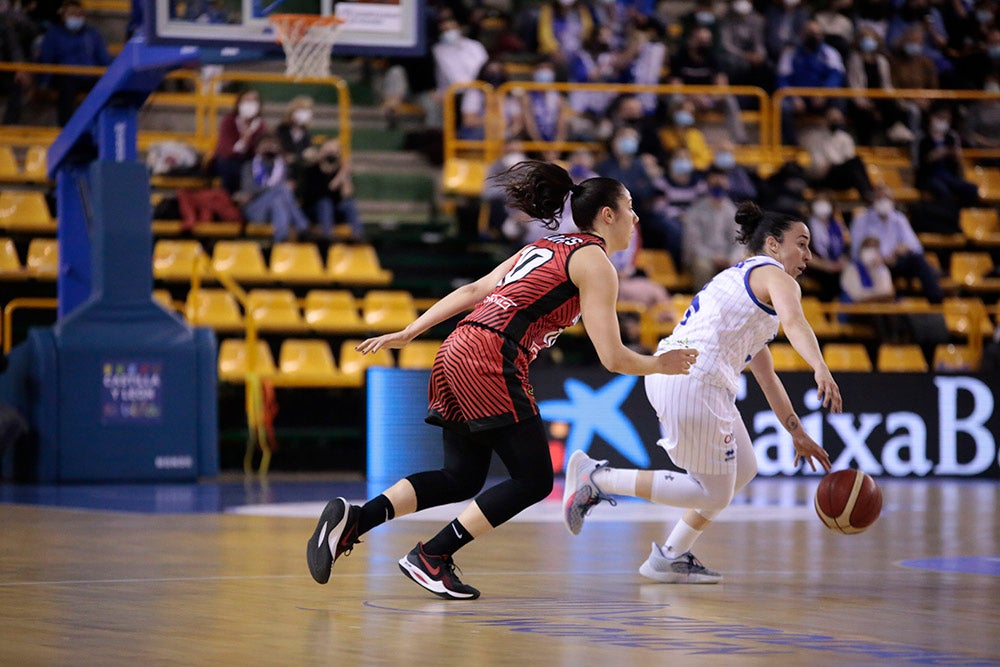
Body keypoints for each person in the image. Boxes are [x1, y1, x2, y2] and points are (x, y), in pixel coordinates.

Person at [305, 160, 698, 600]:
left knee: (461, 476)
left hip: (456, 347)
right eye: (630, 208)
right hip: (491, 356)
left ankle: (356, 521)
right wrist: (661, 363)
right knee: (533, 480)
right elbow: (612, 357)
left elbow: (475, 291)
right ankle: (432, 556)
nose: (637, 218)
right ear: (607, 214)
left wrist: (410, 331)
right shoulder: (595, 262)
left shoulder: (546, 245)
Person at [562, 201, 841, 584]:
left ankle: (671, 555)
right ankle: (597, 479)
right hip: (694, 379)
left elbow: (766, 374)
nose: (809, 255)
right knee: (712, 492)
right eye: (802, 244)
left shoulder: (742, 285)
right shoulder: (776, 276)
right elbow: (796, 321)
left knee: (744, 468)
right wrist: (819, 366)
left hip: (683, 376)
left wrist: (796, 432)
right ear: (774, 245)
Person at [849, 184, 944, 303]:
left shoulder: (899, 219)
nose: (884, 201)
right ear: (873, 199)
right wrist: (882, 259)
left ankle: (936, 301)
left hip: (895, 261)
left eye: (887, 198)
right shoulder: (862, 220)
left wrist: (903, 248)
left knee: (917, 259)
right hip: (874, 265)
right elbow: (856, 253)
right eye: (880, 198)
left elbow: (916, 247)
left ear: (893, 200)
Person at [36, 0, 112, 126]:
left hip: (89, 75)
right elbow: (46, 58)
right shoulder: (54, 34)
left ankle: (100, 128)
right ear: (63, 15)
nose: (76, 17)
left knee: (104, 90)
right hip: (66, 76)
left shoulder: (92, 34)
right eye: (72, 14)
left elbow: (104, 58)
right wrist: (43, 83)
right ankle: (66, 131)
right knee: (67, 89)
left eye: (79, 14)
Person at [236, 133, 310, 242]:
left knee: (278, 201)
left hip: (277, 211)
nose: (270, 147)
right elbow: (249, 189)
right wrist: (277, 188)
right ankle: (302, 225)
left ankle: (279, 243)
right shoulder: (248, 166)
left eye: (273, 145)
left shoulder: (284, 167)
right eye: (266, 144)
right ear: (257, 148)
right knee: (282, 190)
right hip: (255, 209)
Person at [297, 138, 361, 241]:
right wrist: (339, 177)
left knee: (349, 204)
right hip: (313, 211)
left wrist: (345, 176)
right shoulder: (312, 170)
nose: (331, 155)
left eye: (335, 152)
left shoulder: (339, 170)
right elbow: (321, 193)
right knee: (325, 203)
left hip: (334, 211)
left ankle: (357, 235)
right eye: (329, 152)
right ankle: (327, 237)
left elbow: (348, 195)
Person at [211, 88, 267, 194]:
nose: (250, 104)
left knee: (254, 169)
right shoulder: (229, 121)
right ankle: (227, 201)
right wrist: (243, 141)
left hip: (248, 162)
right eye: (246, 101)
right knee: (233, 168)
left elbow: (259, 152)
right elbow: (226, 150)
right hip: (226, 161)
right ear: (239, 103)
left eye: (253, 101)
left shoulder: (261, 125)